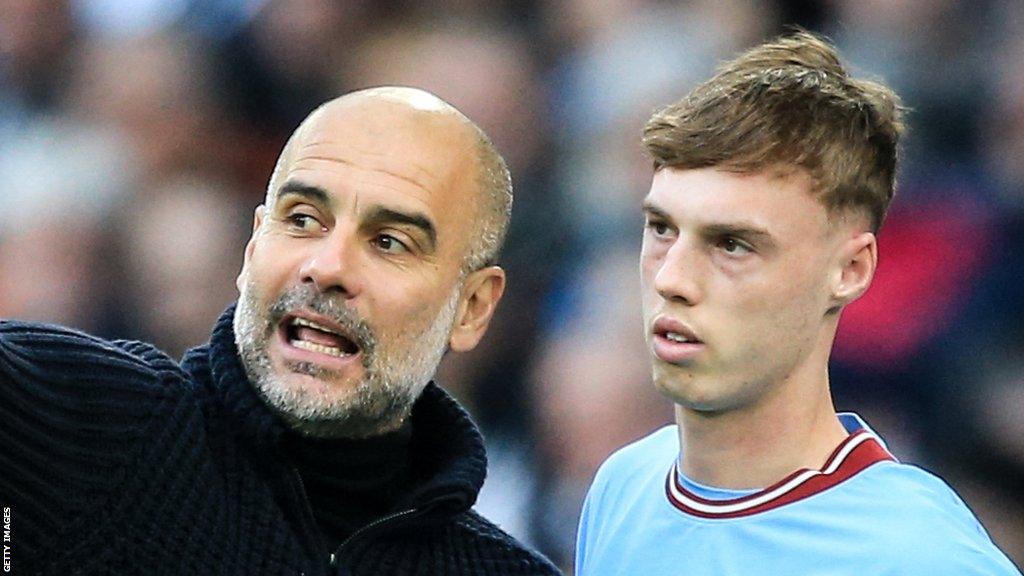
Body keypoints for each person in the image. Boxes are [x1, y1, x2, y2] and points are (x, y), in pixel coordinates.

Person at [0, 86, 561, 576]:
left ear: (472, 307)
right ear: (252, 246)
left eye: (389, 241)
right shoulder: (84, 426)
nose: (328, 266)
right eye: (301, 220)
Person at [574, 32, 1021, 576]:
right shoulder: (623, 487)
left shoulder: (922, 556)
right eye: (661, 228)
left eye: (732, 243)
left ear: (850, 270)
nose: (672, 278)